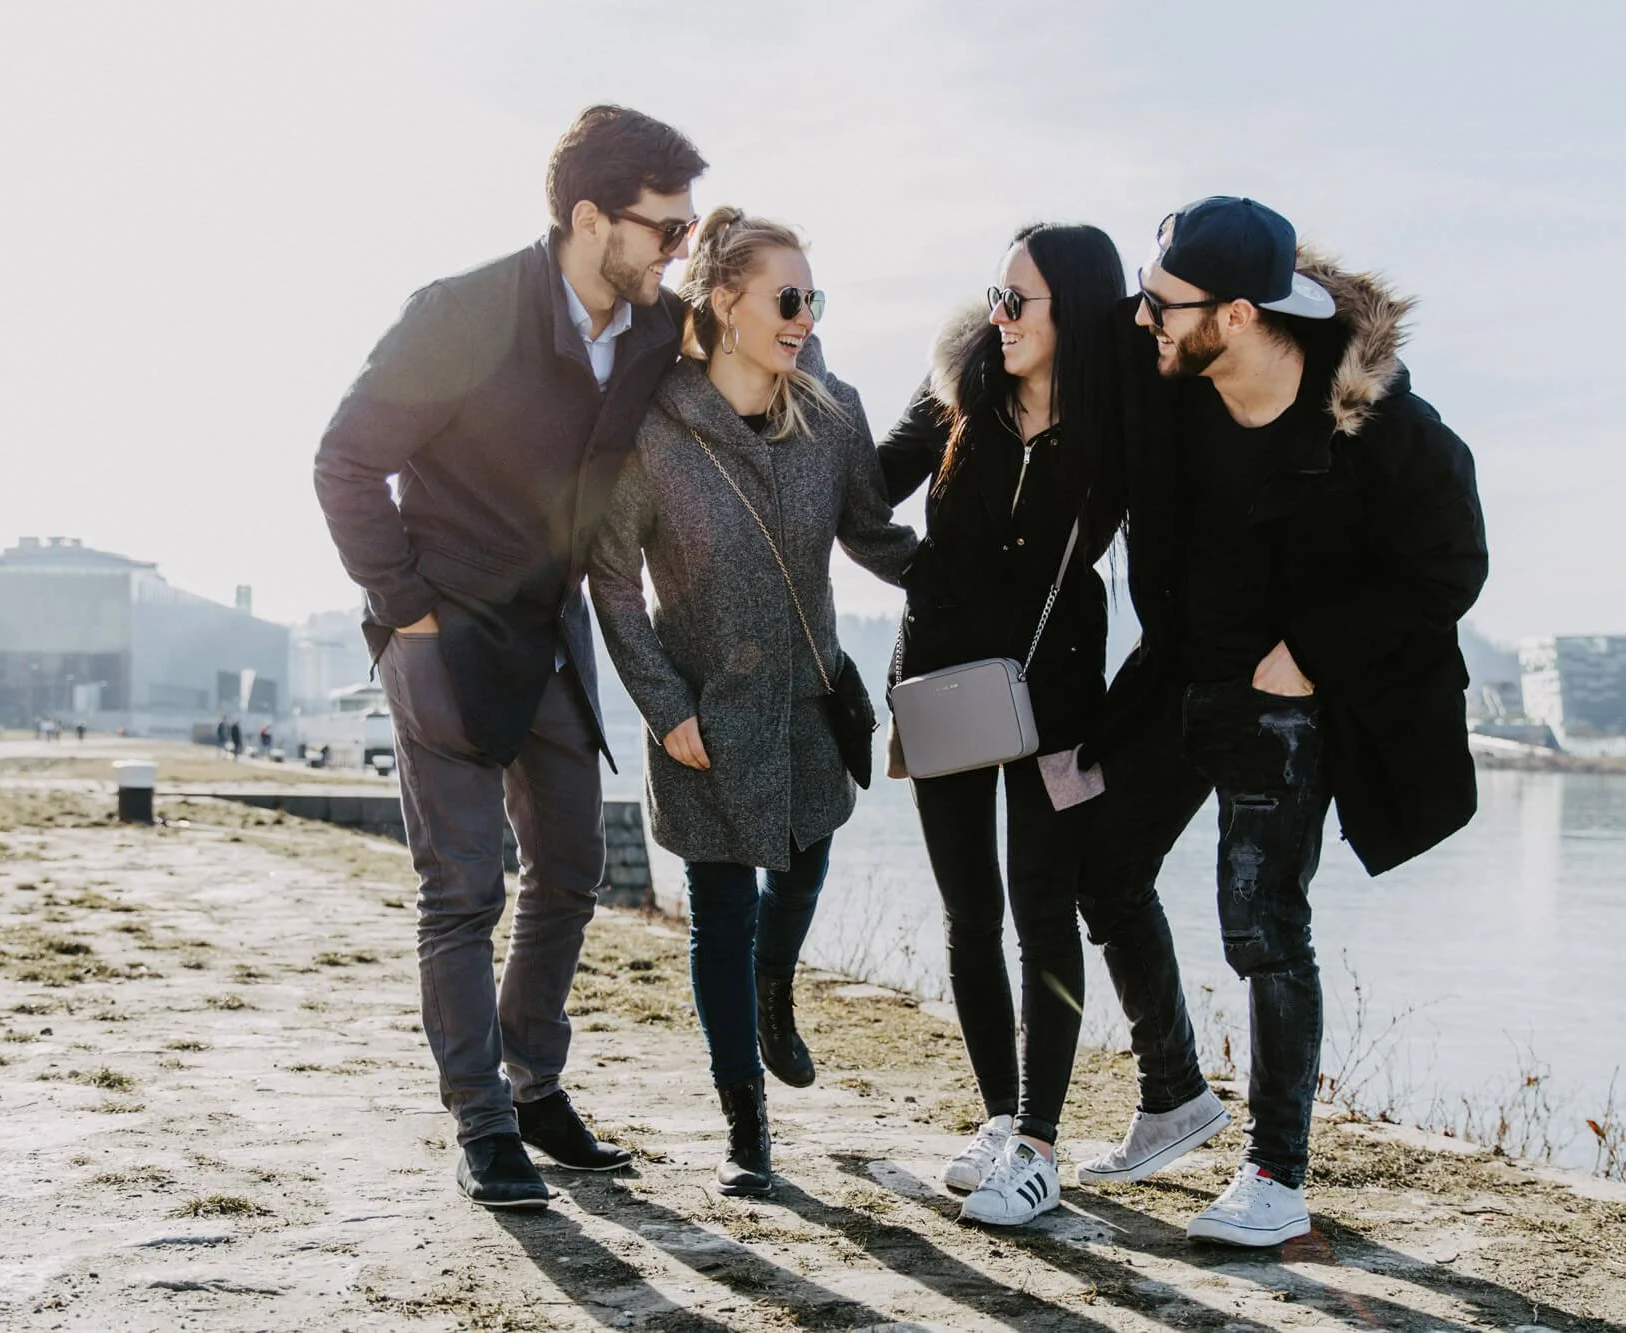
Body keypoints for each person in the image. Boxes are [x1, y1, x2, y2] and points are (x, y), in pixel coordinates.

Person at [1071, 197, 1488, 1247]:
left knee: (1261, 926)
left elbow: (1449, 567)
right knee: (1101, 864)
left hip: (1288, 702)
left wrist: (1311, 654)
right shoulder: (1171, 380)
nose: (1142, 319)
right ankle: (1174, 1093)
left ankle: (1275, 1175)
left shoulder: (1383, 430)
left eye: (1163, 305)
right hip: (1179, 679)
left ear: (1240, 315)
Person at [315, 104, 708, 1211]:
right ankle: (482, 1123)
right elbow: (344, 461)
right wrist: (406, 613)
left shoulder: (650, 328)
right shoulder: (461, 313)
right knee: (461, 890)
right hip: (443, 633)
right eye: (664, 229)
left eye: (686, 231)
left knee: (572, 867)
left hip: (553, 636)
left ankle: (533, 1085)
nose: (677, 251)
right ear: (589, 219)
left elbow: (746, 346)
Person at [590, 208, 916, 1198]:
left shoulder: (832, 412)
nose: (804, 317)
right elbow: (613, 581)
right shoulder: (654, 428)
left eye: (814, 300)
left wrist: (978, 577)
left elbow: (873, 535)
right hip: (702, 714)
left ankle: (777, 983)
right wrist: (662, 705)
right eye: (787, 298)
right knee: (718, 915)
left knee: (805, 867)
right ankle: (746, 1126)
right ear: (725, 302)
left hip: (812, 702)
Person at [875, 223, 1126, 1226]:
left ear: (1075, 309)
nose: (999, 316)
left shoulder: (1117, 419)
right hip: (940, 684)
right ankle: (994, 1115)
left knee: (1042, 910)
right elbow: (858, 492)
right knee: (970, 912)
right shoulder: (956, 389)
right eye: (994, 296)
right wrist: (917, 572)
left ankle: (1037, 1144)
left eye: (1018, 301)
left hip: (1058, 695)